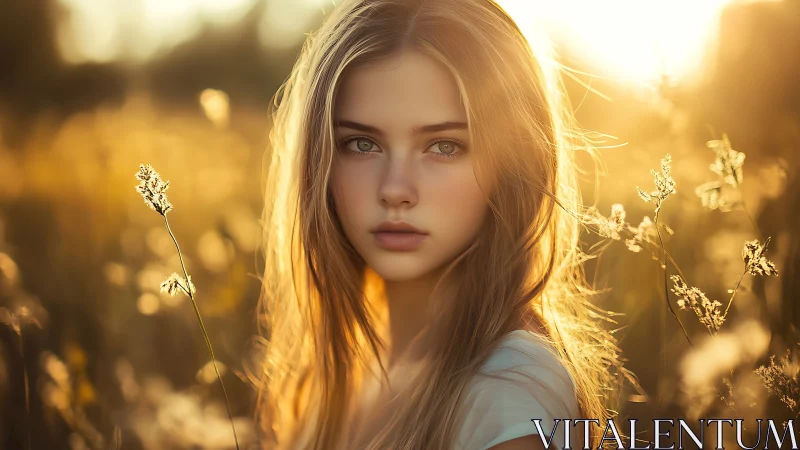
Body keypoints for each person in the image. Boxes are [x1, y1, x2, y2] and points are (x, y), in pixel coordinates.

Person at [256, 0, 622, 448]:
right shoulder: (338, 371)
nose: (395, 189)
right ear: (320, 160)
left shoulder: (508, 391)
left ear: (513, 164)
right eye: (362, 144)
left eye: (444, 146)